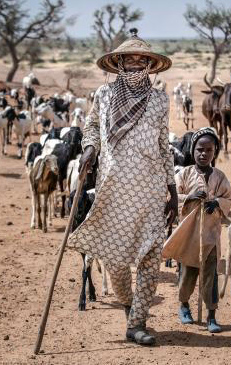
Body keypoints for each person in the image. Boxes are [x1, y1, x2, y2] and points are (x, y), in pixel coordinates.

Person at [68, 28, 177, 346]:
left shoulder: (159, 100)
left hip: (151, 192)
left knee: (150, 258)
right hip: (113, 191)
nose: (134, 63)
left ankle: (137, 323)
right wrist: (89, 148)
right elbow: (90, 127)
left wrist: (171, 192)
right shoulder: (103, 96)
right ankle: (131, 307)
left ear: (149, 64)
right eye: (128, 59)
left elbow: (164, 147)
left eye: (140, 59)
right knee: (114, 260)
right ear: (118, 63)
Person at [164, 127, 231, 333]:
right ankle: (184, 306)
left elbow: (229, 198)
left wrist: (217, 204)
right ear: (193, 150)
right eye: (200, 149)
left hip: (210, 236)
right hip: (189, 235)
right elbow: (173, 199)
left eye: (209, 150)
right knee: (187, 273)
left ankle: (211, 314)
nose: (204, 154)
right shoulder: (184, 174)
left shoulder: (220, 177)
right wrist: (190, 197)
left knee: (210, 275)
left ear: (214, 152)